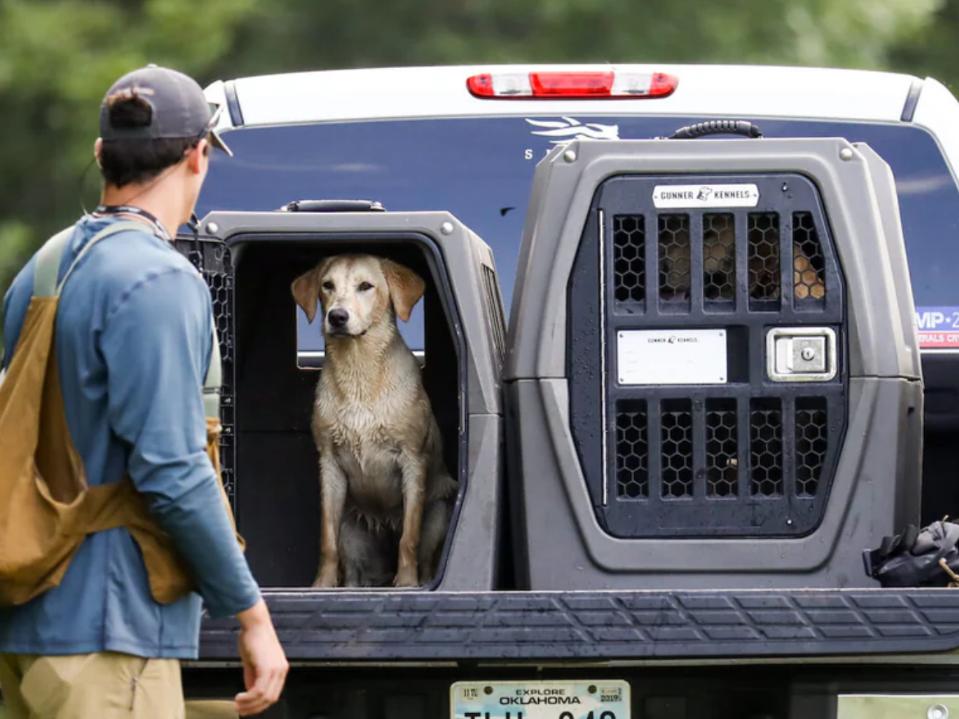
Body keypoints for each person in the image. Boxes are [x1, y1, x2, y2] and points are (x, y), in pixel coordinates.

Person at [0, 66, 288, 718]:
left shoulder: (42, 266)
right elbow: (171, 466)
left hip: (26, 629)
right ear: (197, 155)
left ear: (102, 154)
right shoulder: (157, 278)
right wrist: (250, 612)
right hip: (108, 629)